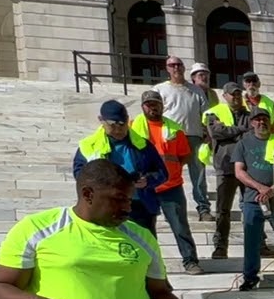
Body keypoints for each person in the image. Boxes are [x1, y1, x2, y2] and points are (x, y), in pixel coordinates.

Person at [0, 160, 180, 299]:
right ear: (88, 194)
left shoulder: (142, 236)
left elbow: (159, 293)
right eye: (118, 199)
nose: (127, 208)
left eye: (129, 200)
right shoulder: (36, 228)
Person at [132, 90, 203, 274]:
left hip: (171, 186)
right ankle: (151, 264)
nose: (152, 107)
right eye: (148, 104)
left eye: (155, 103)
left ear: (162, 105)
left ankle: (190, 261)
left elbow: (185, 154)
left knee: (180, 226)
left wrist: (173, 169)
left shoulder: (174, 128)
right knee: (146, 229)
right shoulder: (133, 127)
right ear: (143, 107)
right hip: (145, 187)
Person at [72, 100, 167, 236]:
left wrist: (148, 180)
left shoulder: (142, 144)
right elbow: (79, 174)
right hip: (105, 205)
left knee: (145, 245)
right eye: (112, 125)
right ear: (101, 120)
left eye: (122, 125)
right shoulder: (89, 146)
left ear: (128, 120)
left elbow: (162, 172)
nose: (118, 130)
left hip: (139, 205)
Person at [233, 107, 274, 291]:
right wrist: (261, 188)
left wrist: (272, 190)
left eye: (264, 119)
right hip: (253, 199)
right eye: (257, 119)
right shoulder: (243, 143)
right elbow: (239, 171)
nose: (261, 122)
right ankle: (250, 277)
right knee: (252, 241)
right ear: (252, 123)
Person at [152, 56, 211, 221]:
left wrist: (208, 134)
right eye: (172, 65)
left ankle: (203, 208)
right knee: (167, 173)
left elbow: (206, 115)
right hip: (171, 137)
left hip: (194, 136)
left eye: (178, 64)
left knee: (198, 174)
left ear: (184, 68)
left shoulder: (196, 90)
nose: (176, 68)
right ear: (167, 69)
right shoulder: (159, 89)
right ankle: (164, 207)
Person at [203, 82, 251, 260]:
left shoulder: (249, 114)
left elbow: (251, 134)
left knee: (251, 208)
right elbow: (216, 132)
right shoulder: (214, 112)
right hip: (225, 166)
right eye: (232, 94)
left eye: (238, 94)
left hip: (247, 167)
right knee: (223, 210)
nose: (236, 97)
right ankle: (220, 246)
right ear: (225, 96)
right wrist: (239, 130)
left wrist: (229, 131)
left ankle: (258, 243)